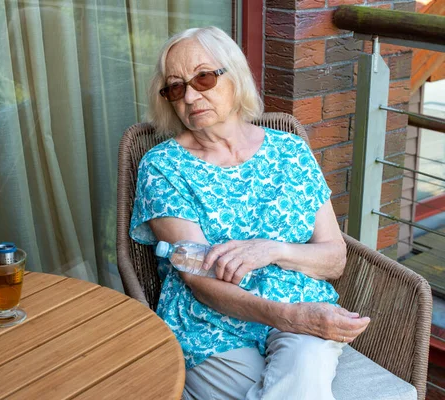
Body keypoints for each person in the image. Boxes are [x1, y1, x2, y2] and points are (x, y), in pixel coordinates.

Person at [129, 26, 371, 400]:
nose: (191, 96)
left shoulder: (290, 151)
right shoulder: (163, 166)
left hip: (300, 306)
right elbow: (200, 280)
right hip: (209, 321)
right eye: (176, 87)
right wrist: (290, 317)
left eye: (204, 77)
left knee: (303, 377)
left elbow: (334, 258)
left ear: (234, 76)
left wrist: (273, 249)